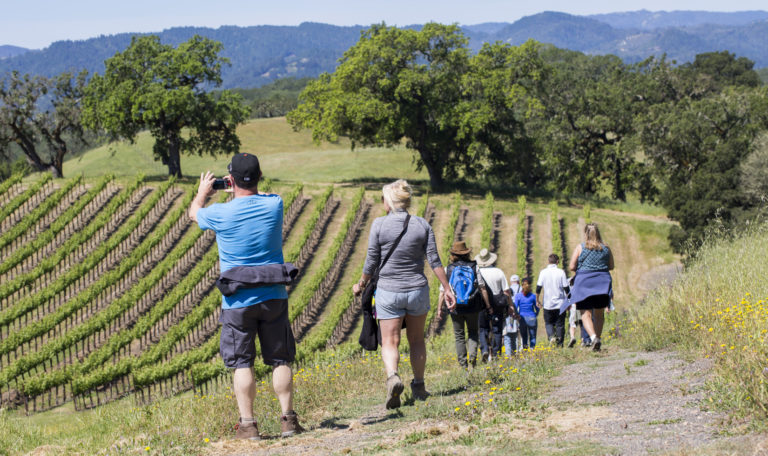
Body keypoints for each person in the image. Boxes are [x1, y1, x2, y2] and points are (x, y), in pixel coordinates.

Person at [189, 153, 303, 440]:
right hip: (273, 294)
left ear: (231, 180)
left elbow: (194, 213)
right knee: (280, 359)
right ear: (259, 176)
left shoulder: (219, 213)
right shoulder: (274, 204)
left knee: (242, 363)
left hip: (237, 301)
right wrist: (246, 186)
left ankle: (249, 425)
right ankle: (288, 420)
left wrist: (203, 193)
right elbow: (262, 193)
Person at [353, 179, 455, 409]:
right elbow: (435, 260)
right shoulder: (422, 225)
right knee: (417, 341)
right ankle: (418, 386)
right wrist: (447, 289)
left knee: (390, 342)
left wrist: (360, 284)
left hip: (389, 291)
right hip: (417, 290)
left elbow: (371, 262)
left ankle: (393, 378)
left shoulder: (379, 225)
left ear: (389, 201)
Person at [437, 241, 493, 370]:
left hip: (455, 307)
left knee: (459, 335)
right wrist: (488, 305)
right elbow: (482, 288)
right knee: (473, 332)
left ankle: (463, 365)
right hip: (473, 305)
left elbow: (442, 291)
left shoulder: (449, 269)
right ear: (467, 253)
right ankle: (472, 358)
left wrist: (439, 309)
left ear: (453, 254)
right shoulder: (474, 267)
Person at [566, 222, 615, 352]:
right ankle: (598, 338)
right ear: (598, 233)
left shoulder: (580, 247)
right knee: (599, 314)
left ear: (586, 233)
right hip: (602, 283)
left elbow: (571, 266)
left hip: (584, 284)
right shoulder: (606, 248)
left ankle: (593, 338)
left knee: (585, 314)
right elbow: (611, 266)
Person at [475, 249, 516, 361]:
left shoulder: (477, 272)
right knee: (497, 330)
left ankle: (484, 350)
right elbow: (506, 292)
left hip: (482, 304)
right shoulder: (498, 272)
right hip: (498, 304)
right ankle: (496, 355)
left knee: (483, 328)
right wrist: (511, 306)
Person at [536, 253, 570, 347]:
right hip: (560, 304)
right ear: (557, 262)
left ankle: (551, 337)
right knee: (560, 324)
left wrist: (537, 300)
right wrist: (569, 301)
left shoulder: (543, 272)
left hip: (548, 304)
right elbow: (566, 288)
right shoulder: (561, 272)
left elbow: (538, 288)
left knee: (549, 323)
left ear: (548, 261)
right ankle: (560, 344)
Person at [514, 277, 538, 349]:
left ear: (522, 285)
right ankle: (532, 351)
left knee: (524, 337)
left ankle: (525, 352)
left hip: (522, 318)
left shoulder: (518, 296)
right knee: (533, 337)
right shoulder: (533, 296)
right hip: (532, 318)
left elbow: (515, 307)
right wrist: (535, 315)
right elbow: (537, 308)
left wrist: (517, 315)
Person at [504, 274, 522, 355]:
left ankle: (508, 356)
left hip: (506, 325)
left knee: (507, 340)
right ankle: (515, 354)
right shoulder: (513, 304)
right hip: (514, 324)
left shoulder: (503, 304)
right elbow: (517, 313)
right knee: (514, 339)